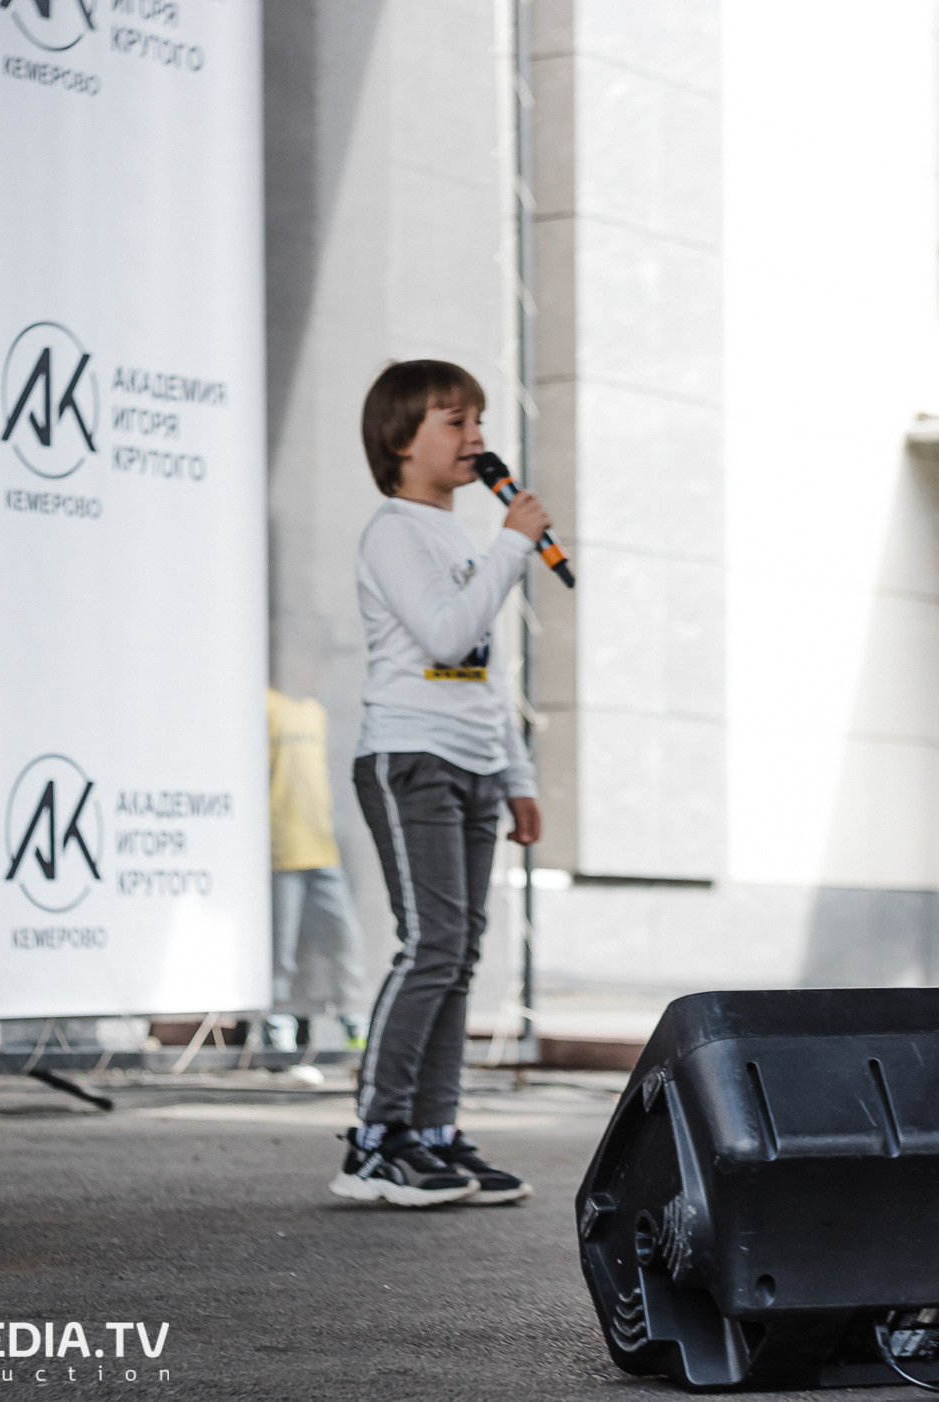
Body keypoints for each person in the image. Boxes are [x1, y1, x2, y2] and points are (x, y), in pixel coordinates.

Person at [328, 359, 544, 1209]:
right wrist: (516, 543)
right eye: (455, 423)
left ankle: (435, 1134)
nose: (477, 440)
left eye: (478, 422)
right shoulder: (393, 530)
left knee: (458, 955)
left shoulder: (466, 537)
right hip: (408, 756)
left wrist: (517, 774)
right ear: (399, 439)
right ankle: (376, 1142)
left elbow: (485, 674)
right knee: (431, 946)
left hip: (475, 763)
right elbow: (449, 638)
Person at [265, 687, 371, 1060]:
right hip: (279, 851)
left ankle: (356, 1028)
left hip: (321, 848)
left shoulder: (314, 710)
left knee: (345, 940)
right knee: (281, 952)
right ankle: (279, 1037)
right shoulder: (261, 706)